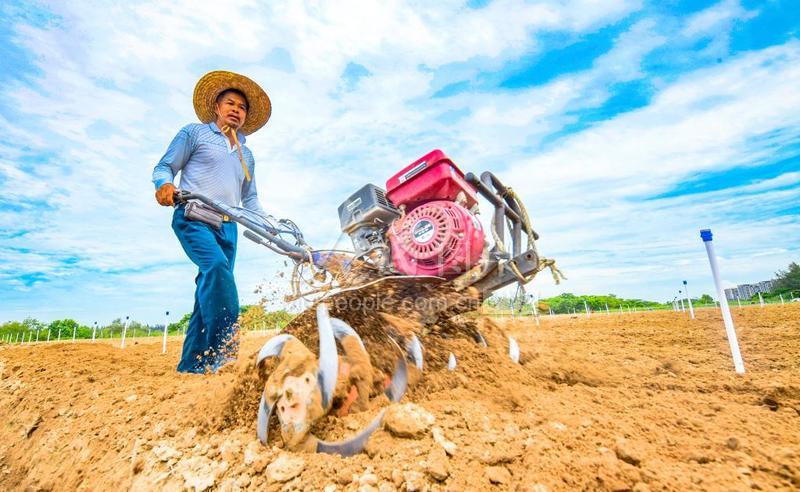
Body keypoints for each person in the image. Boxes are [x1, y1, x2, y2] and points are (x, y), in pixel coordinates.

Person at [152, 71, 271, 373]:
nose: (236, 109)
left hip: (228, 226)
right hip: (193, 215)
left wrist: (270, 223)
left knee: (209, 285)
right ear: (216, 108)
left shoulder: (247, 154)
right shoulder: (194, 133)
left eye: (242, 107)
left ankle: (191, 364)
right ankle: (224, 352)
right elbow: (165, 166)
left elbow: (250, 198)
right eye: (229, 103)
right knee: (216, 270)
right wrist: (164, 185)